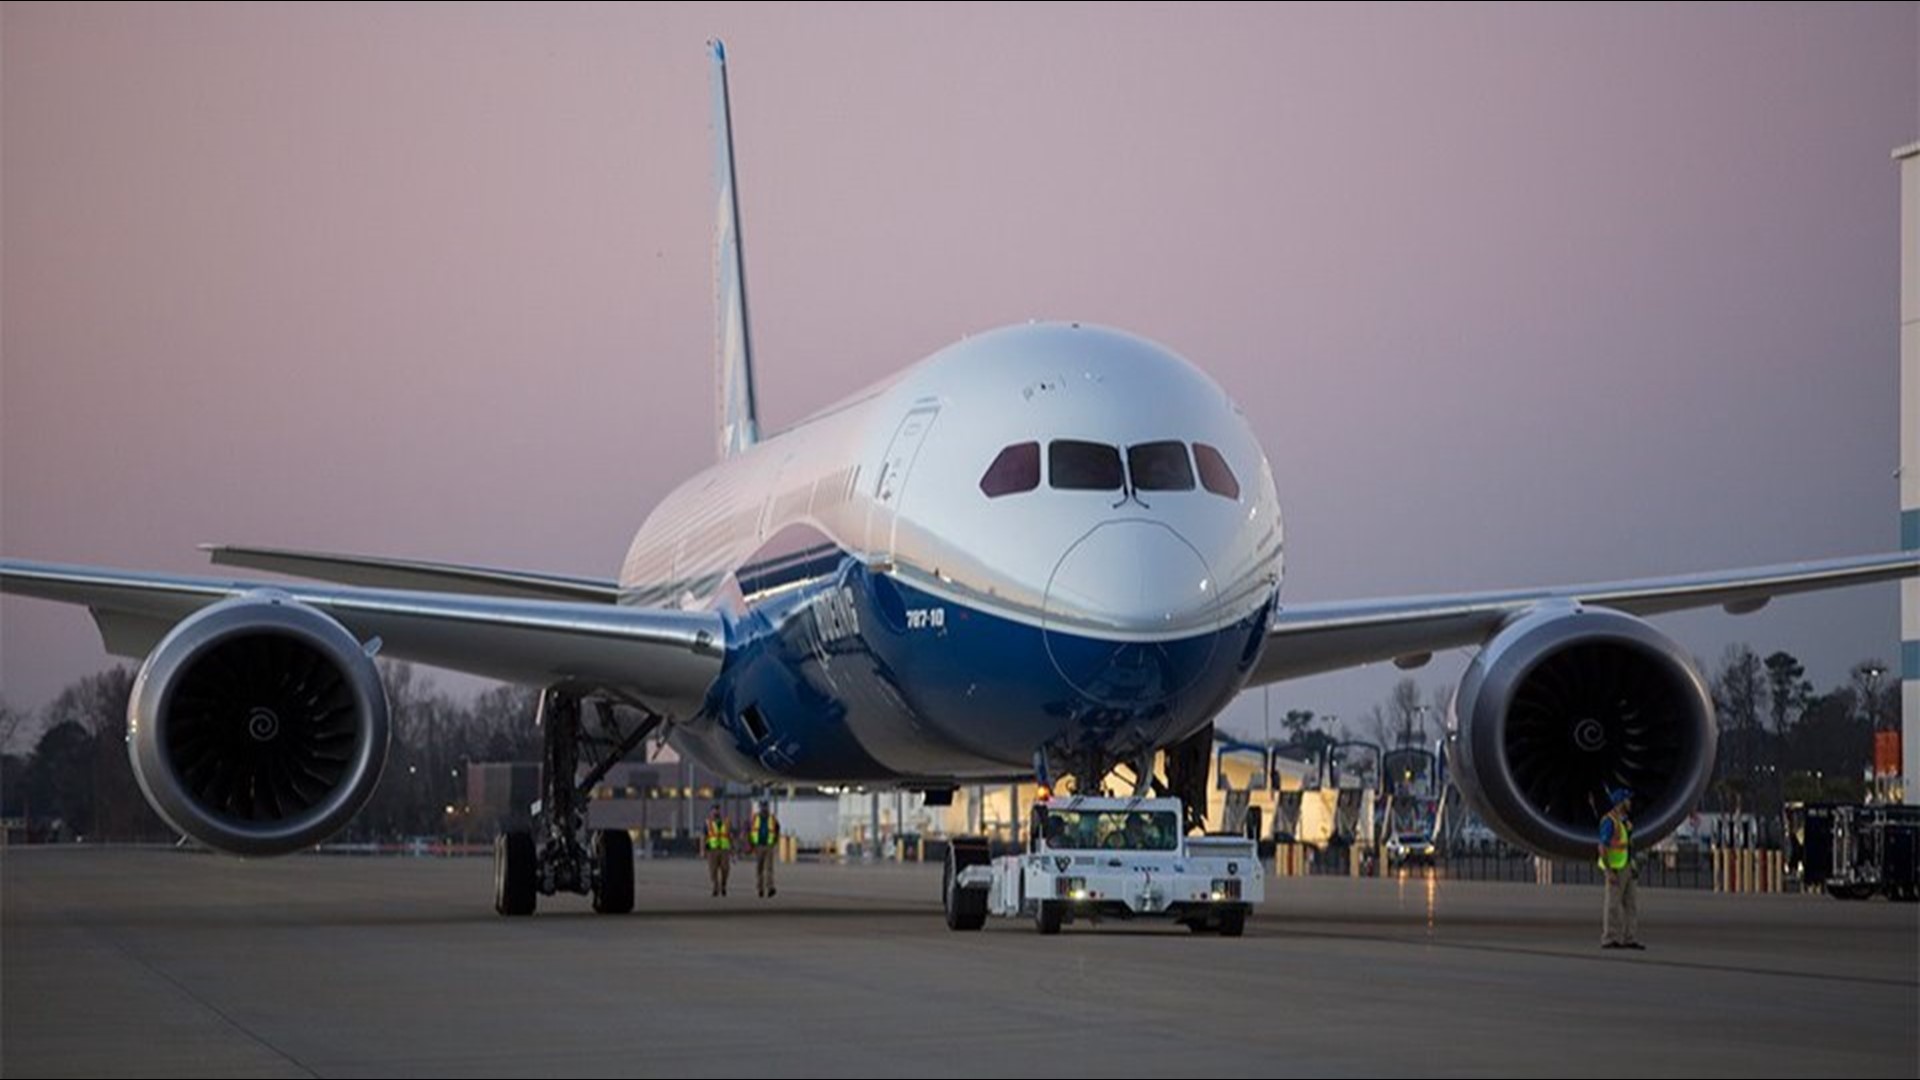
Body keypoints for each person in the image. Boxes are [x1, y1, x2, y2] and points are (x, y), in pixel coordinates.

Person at [1597, 787, 1644, 950]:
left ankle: (1630, 938)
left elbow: (1628, 846)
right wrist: (1609, 870)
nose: (1630, 802)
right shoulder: (1609, 822)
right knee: (1613, 905)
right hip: (1616, 869)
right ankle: (1609, 937)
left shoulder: (1626, 822)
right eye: (1627, 799)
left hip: (1628, 867)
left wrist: (1633, 866)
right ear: (1620, 803)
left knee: (1632, 905)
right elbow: (1602, 847)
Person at [748, 799, 781, 898]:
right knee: (759, 869)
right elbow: (751, 831)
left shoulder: (772, 818)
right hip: (758, 846)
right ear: (760, 807)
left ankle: (770, 887)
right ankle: (760, 888)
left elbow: (777, 829)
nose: (764, 808)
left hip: (768, 846)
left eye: (765, 806)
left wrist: (775, 841)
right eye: (762, 806)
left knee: (769, 868)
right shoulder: (755, 818)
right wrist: (751, 844)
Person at [705, 803, 733, 897]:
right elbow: (704, 836)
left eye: (717, 809)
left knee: (725, 869)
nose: (716, 811)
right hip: (712, 850)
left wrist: (732, 849)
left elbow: (729, 836)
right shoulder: (708, 823)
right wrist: (703, 850)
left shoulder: (726, 822)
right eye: (714, 809)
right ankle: (715, 887)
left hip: (724, 850)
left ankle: (723, 885)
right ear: (711, 811)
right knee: (713, 870)